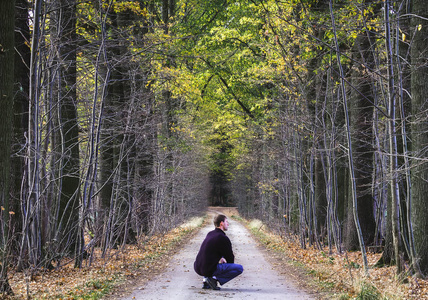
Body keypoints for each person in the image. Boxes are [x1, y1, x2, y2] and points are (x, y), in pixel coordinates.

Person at [194, 214, 243, 290]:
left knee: (209, 263)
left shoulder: (210, 234)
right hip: (208, 268)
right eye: (226, 222)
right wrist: (228, 266)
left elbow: (211, 250)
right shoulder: (222, 238)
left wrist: (221, 258)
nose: (228, 224)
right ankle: (213, 279)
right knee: (239, 268)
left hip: (197, 267)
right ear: (221, 223)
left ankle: (206, 281)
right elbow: (230, 258)